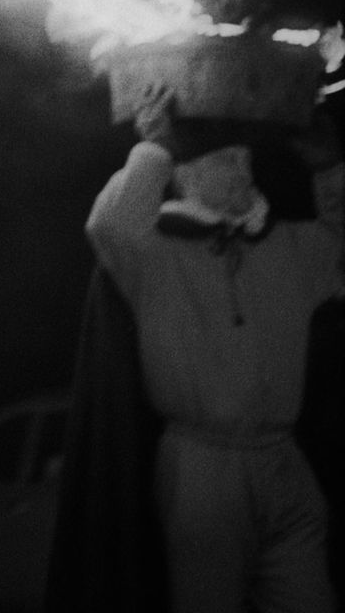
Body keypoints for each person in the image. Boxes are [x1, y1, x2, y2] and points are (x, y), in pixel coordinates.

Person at [81, 87, 343, 613]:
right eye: (225, 163)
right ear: (189, 177)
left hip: (282, 460)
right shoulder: (152, 254)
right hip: (201, 466)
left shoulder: (291, 247)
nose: (242, 174)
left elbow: (340, 242)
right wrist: (153, 148)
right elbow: (108, 225)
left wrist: (330, 169)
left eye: (245, 162)